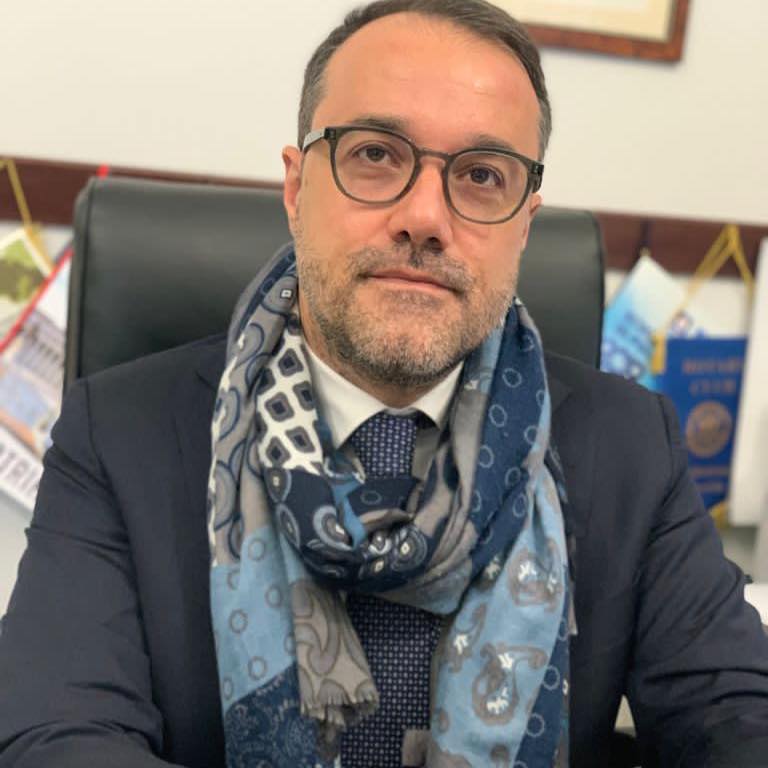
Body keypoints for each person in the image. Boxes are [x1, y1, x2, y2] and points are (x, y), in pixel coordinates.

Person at [1, 1, 767, 766]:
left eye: (482, 175)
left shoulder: (631, 447)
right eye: (375, 154)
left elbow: (737, 715)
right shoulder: (119, 434)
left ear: (524, 225)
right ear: (296, 189)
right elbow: (58, 740)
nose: (425, 216)